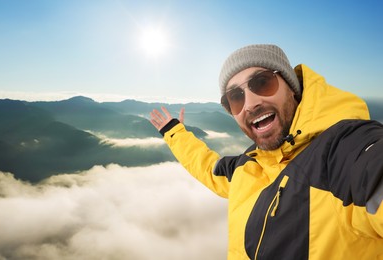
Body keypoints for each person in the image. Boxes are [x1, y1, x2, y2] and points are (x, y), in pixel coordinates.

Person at [149, 44, 383, 259]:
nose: (250, 103)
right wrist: (174, 132)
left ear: (292, 88)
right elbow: (209, 169)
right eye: (235, 97)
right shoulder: (250, 166)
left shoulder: (343, 150)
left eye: (262, 83)